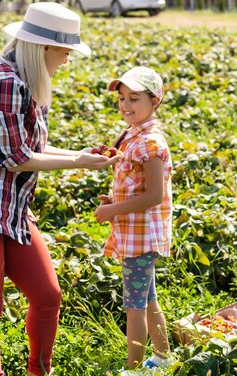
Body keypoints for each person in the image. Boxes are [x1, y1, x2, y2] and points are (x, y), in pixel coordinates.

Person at [0, 2, 119, 376]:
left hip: (7, 206)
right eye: (65, 51)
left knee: (48, 296)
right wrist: (76, 163)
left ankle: (39, 372)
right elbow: (16, 158)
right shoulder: (4, 83)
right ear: (44, 48)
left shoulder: (28, 80)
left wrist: (79, 155)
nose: (67, 59)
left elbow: (30, 148)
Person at [94, 66, 172, 371]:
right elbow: (137, 189)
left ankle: (134, 368)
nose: (126, 104)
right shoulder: (132, 136)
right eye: (122, 97)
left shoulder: (150, 143)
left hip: (141, 239)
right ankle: (163, 358)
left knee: (134, 308)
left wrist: (112, 211)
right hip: (136, 234)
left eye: (135, 98)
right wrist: (115, 202)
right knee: (148, 300)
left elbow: (154, 195)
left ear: (154, 102)